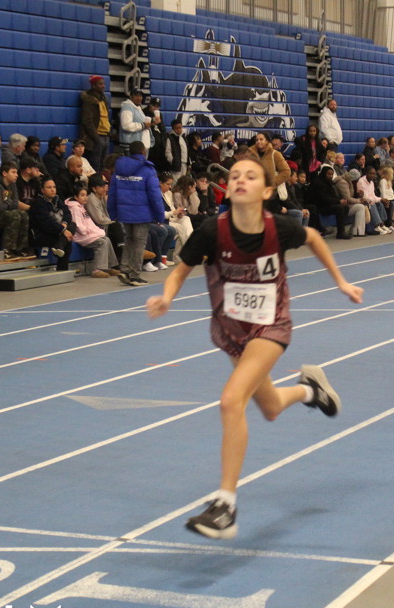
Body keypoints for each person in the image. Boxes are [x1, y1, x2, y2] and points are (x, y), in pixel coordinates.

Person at [145, 154, 364, 539]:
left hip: (270, 326)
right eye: (234, 176)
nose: (240, 180)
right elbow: (180, 270)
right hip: (231, 331)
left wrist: (341, 282)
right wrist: (166, 297)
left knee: (231, 401)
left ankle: (225, 505)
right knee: (271, 407)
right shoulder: (212, 231)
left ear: (266, 191)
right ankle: (310, 390)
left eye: (250, 176)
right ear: (228, 189)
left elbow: (314, 238)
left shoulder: (279, 228)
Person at [108, 142, 162, 287]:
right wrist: (159, 215)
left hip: (124, 213)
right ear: (143, 151)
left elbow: (112, 193)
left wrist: (112, 213)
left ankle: (125, 270)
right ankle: (135, 275)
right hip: (142, 214)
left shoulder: (119, 169)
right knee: (138, 243)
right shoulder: (147, 169)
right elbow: (155, 195)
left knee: (129, 240)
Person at [0, 161, 32, 260]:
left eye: (16, 172)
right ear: (4, 173)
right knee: (14, 216)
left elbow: (15, 204)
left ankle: (20, 248)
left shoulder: (12, 185)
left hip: (2, 213)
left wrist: (7, 202)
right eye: (13, 172)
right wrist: (9, 202)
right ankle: (7, 250)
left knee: (24, 214)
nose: (16, 175)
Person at [67, 185, 121, 278]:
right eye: (82, 195)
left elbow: (89, 223)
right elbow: (79, 226)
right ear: (76, 197)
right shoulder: (74, 208)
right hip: (80, 236)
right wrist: (91, 232)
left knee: (107, 239)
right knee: (101, 242)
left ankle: (110, 266)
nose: (85, 197)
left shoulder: (82, 207)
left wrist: (96, 231)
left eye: (86, 195)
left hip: (87, 234)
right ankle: (98, 269)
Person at [28, 177, 76, 270]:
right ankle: (62, 269)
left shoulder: (58, 200)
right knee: (66, 240)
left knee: (72, 225)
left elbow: (67, 213)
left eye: (54, 187)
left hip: (57, 231)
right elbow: (47, 223)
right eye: (49, 187)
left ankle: (59, 247)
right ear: (42, 190)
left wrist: (64, 225)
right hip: (42, 235)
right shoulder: (38, 203)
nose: (52, 189)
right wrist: (63, 230)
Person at [80, 75, 111, 168]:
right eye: (100, 84)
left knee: (103, 165)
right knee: (95, 165)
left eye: (103, 84)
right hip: (96, 137)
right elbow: (87, 121)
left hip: (105, 135)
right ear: (93, 85)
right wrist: (96, 138)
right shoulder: (89, 100)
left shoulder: (103, 99)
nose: (103, 86)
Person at [119, 88, 152, 152]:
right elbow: (126, 125)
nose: (139, 98)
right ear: (131, 96)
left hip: (137, 144)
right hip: (130, 145)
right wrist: (143, 125)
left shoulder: (137, 108)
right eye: (136, 95)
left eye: (140, 96)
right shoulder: (127, 108)